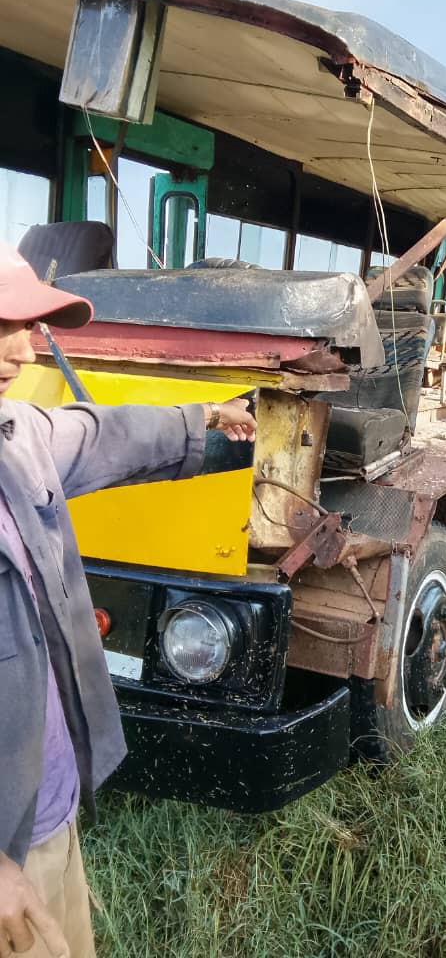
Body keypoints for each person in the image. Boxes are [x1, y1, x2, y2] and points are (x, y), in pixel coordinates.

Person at [0, 244, 257, 958]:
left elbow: (104, 434)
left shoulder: (15, 437)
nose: (24, 349)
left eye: (28, 326)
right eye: (4, 325)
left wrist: (201, 414)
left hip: (42, 814)